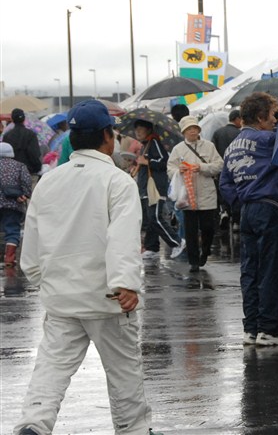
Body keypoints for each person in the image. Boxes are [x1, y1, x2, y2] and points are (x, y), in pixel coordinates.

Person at [14, 100, 160, 435]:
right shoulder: (116, 181)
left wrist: (45, 281)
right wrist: (126, 283)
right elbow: (122, 235)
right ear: (108, 137)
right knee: (123, 373)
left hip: (62, 298)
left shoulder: (49, 183)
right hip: (107, 299)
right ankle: (134, 429)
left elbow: (32, 248)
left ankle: (33, 426)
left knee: (50, 369)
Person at [219, 93, 278, 347]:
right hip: (270, 207)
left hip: (247, 210)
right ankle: (269, 329)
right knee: (273, 269)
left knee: (250, 270)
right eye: (274, 114)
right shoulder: (269, 139)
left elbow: (224, 183)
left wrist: (240, 205)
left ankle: (251, 328)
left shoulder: (232, 146)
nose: (277, 119)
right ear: (261, 117)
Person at [167, 116, 223, 272]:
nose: (192, 131)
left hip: (206, 193)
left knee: (208, 227)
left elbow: (219, 165)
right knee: (190, 230)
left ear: (199, 130)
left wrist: (203, 167)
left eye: (194, 128)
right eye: (189, 129)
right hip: (187, 195)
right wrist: (179, 171)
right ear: (184, 132)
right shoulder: (178, 149)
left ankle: (205, 252)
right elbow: (170, 169)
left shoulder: (209, 146)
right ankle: (193, 261)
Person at [133, 119, 183, 261]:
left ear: (149, 129)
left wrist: (147, 161)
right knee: (150, 218)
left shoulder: (154, 142)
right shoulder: (146, 145)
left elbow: (164, 162)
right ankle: (152, 247)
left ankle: (177, 242)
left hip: (155, 187)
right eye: (136, 129)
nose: (138, 132)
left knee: (155, 217)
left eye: (140, 129)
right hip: (147, 187)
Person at [0, 142, 32, 267]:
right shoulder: (20, 166)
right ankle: (9, 257)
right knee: (12, 230)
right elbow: (26, 182)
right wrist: (25, 195)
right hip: (13, 203)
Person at [4, 108, 42, 179]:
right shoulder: (31, 134)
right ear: (24, 119)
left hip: (11, 174)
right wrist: (38, 168)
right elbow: (34, 153)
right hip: (29, 171)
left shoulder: (7, 136)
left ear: (12, 120)